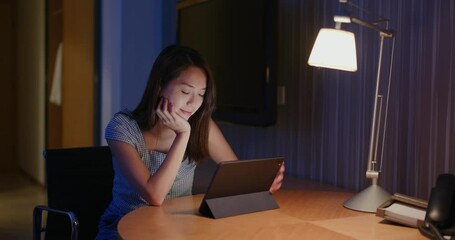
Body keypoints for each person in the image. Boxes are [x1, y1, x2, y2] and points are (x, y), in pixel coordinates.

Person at [96, 45, 285, 239]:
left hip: (177, 228)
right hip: (125, 227)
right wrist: (183, 134)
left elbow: (235, 173)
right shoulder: (122, 128)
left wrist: (257, 183)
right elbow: (155, 195)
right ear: (160, 86)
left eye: (201, 94)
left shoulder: (203, 125)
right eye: (186, 92)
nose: (194, 103)